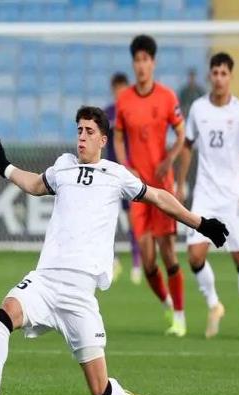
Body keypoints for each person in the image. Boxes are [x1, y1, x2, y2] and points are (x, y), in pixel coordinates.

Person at [0, 106, 228, 395]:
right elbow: (33, 185)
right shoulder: (63, 167)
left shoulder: (116, 175)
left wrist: (200, 223)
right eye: (79, 131)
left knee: (100, 391)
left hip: (80, 293)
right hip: (45, 281)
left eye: (89, 132)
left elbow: (159, 197)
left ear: (103, 139)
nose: (82, 137)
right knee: (4, 315)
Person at [178, 52, 239, 340]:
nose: (218, 78)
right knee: (194, 256)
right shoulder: (198, 109)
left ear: (230, 77)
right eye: (214, 73)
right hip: (204, 195)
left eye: (223, 73)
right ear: (209, 76)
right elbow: (187, 146)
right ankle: (215, 305)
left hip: (231, 198)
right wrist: (180, 183)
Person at [114, 35, 187, 336]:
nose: (141, 65)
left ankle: (180, 317)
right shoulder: (124, 100)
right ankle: (168, 302)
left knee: (168, 253)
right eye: (137, 60)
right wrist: (125, 165)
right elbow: (118, 137)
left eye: (146, 60)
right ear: (133, 64)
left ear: (153, 63)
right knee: (147, 262)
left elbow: (181, 134)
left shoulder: (167, 97)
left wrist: (170, 159)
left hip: (163, 188)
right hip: (137, 189)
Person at [104, 72, 142, 284]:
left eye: (123, 89)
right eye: (117, 89)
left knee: (133, 219)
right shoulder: (107, 113)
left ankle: (136, 262)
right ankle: (113, 260)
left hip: (128, 173)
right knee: (107, 218)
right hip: (109, 173)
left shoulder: (134, 111)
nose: (120, 93)